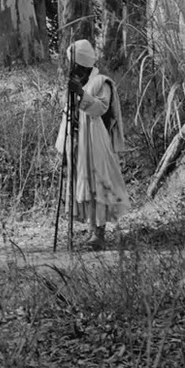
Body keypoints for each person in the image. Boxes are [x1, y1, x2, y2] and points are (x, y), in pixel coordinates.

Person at [54, 39, 129, 247]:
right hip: (78, 142)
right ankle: (90, 231)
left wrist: (80, 93)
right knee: (83, 184)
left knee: (97, 183)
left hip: (96, 142)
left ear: (82, 64)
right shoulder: (76, 84)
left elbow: (101, 109)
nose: (72, 68)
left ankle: (99, 234)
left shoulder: (101, 82)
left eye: (74, 64)